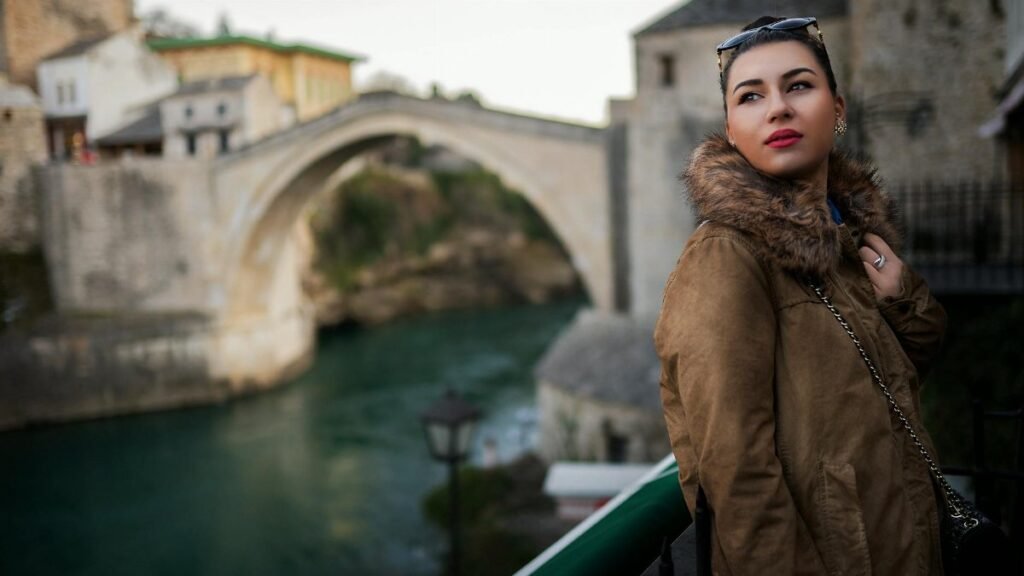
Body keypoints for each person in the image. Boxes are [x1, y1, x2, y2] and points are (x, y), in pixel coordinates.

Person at [653, 16, 948, 575]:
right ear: (731, 129)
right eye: (751, 96)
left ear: (837, 110)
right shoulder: (724, 256)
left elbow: (898, 381)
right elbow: (736, 473)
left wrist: (902, 296)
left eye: (798, 86)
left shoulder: (849, 242)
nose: (778, 108)